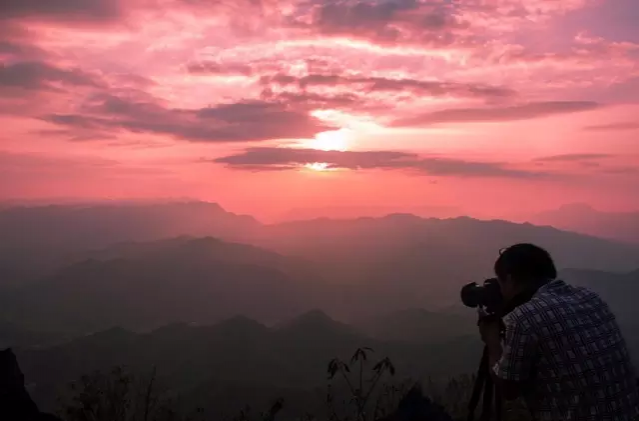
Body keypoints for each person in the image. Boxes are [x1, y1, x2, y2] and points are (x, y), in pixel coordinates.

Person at [479, 243, 639, 421]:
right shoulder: (591, 297)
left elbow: (507, 389)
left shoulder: (524, 318)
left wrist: (492, 341)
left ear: (509, 279)